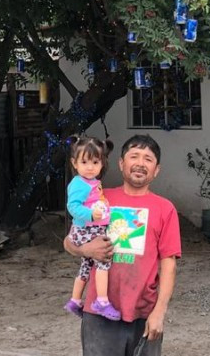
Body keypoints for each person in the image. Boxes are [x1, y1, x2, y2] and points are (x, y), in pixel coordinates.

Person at [64, 134, 181, 356]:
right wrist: (84, 250)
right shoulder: (99, 198)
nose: (140, 163)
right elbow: (69, 241)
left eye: (148, 159)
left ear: (156, 170)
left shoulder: (165, 209)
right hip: (99, 313)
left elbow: (169, 265)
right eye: (134, 156)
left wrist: (159, 312)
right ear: (120, 163)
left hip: (144, 312)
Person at [64, 135, 120, 321]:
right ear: (75, 163)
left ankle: (74, 300)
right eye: (85, 162)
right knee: (104, 261)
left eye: (95, 162)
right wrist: (90, 215)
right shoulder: (79, 184)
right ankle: (102, 301)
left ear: (102, 163)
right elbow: (72, 206)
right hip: (87, 232)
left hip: (88, 230)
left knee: (86, 267)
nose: (90, 167)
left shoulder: (90, 182)